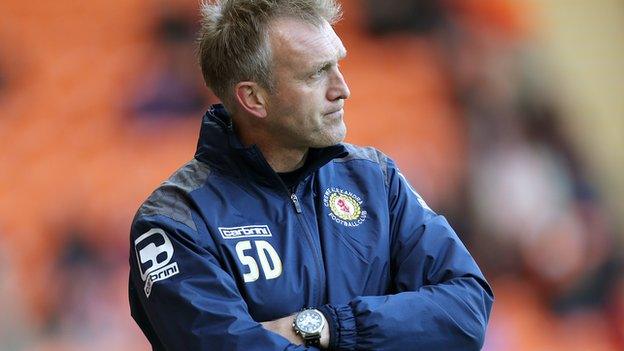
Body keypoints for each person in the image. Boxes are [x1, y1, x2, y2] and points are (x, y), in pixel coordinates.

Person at [128, 0, 493, 350]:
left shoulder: (377, 181)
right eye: (317, 73)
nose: (341, 89)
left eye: (337, 65)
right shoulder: (176, 222)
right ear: (254, 99)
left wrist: (328, 326)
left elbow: (466, 311)